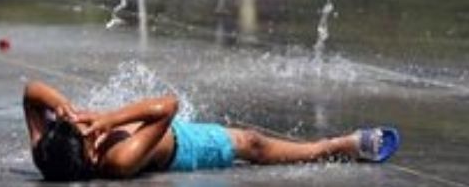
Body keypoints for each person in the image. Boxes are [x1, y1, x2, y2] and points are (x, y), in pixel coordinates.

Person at [23, 80, 399, 181]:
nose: (94, 134)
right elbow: (168, 107)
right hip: (184, 147)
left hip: (154, 128)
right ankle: (335, 146)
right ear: (90, 161)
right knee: (252, 144)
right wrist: (108, 121)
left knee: (251, 139)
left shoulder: (47, 152)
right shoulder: (118, 160)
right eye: (92, 142)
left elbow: (31, 93)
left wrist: (65, 109)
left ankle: (332, 146)